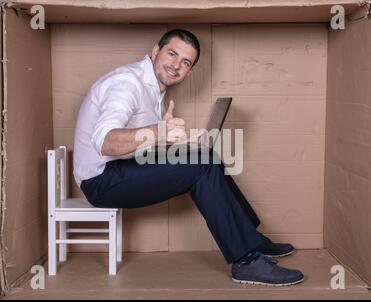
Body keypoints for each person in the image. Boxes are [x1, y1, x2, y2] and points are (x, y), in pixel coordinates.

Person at [73, 29, 304, 286]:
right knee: (201, 165)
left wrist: (181, 144)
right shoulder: (126, 84)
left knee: (205, 156)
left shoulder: (154, 90)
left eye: (186, 62)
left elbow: (139, 144)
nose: (176, 66)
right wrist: (160, 131)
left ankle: (249, 236)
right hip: (101, 182)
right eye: (172, 54)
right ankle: (246, 261)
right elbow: (106, 142)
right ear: (155, 51)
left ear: (190, 71)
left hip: (121, 169)